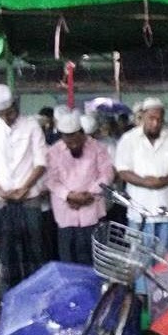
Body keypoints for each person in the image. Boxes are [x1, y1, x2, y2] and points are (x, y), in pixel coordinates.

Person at [115, 97, 168, 292]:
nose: (155, 123)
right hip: (140, 212)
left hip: (166, 210)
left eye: (159, 119)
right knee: (140, 259)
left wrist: (165, 180)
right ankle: (141, 300)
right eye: (151, 118)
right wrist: (145, 182)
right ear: (143, 116)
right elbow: (122, 170)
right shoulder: (129, 139)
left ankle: (166, 299)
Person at [0, 84, 47, 288]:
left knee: (35, 248)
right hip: (1, 199)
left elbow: (41, 162)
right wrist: (1, 191)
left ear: (15, 106)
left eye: (10, 113)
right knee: (6, 250)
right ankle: (10, 293)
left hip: (30, 197)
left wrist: (24, 188)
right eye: (2, 114)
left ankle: (37, 290)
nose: (7, 117)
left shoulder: (32, 126)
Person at [46, 111, 114, 265]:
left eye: (76, 141)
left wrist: (89, 194)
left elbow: (107, 174)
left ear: (82, 133)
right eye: (69, 143)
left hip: (92, 213)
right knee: (69, 263)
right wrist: (69, 196)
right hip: (66, 216)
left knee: (95, 261)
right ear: (62, 137)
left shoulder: (97, 148)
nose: (73, 145)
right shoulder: (54, 152)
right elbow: (51, 180)